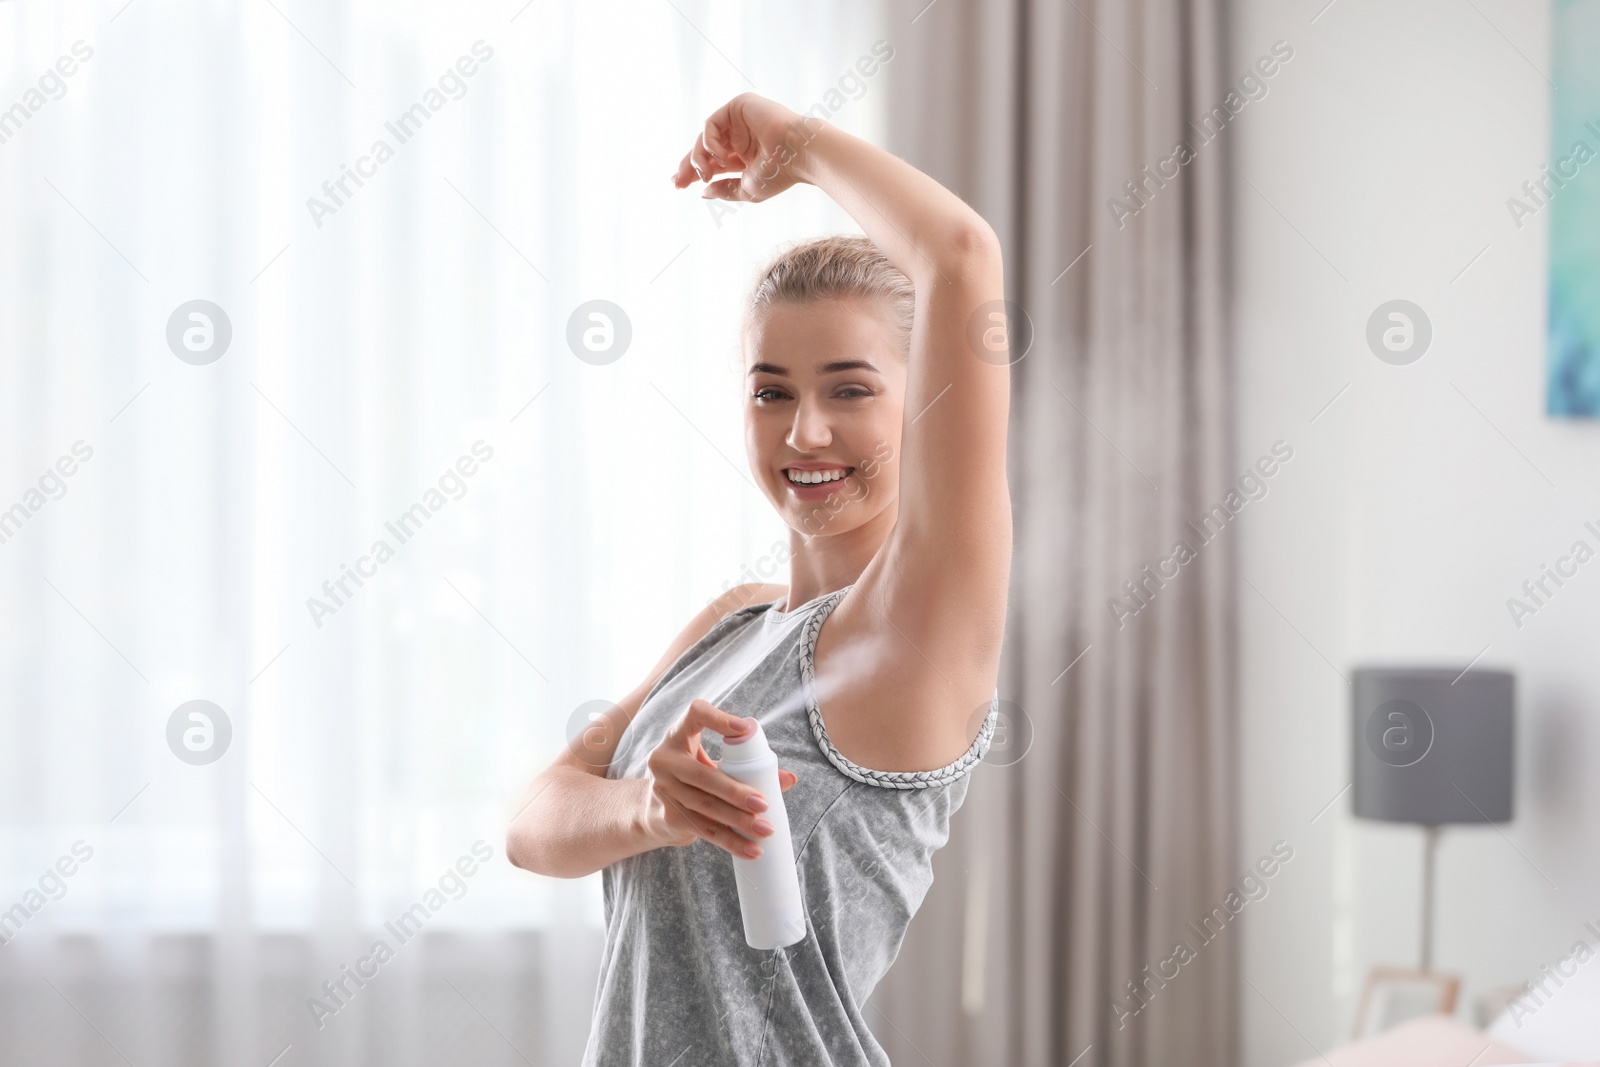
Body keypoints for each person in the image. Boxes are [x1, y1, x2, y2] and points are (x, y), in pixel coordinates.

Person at [507, 92, 1012, 1066]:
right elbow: (534, 824)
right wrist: (646, 811)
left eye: (851, 388)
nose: (805, 430)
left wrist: (801, 147)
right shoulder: (737, 622)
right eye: (771, 389)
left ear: (922, 406)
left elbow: (960, 253)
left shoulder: (913, 629)